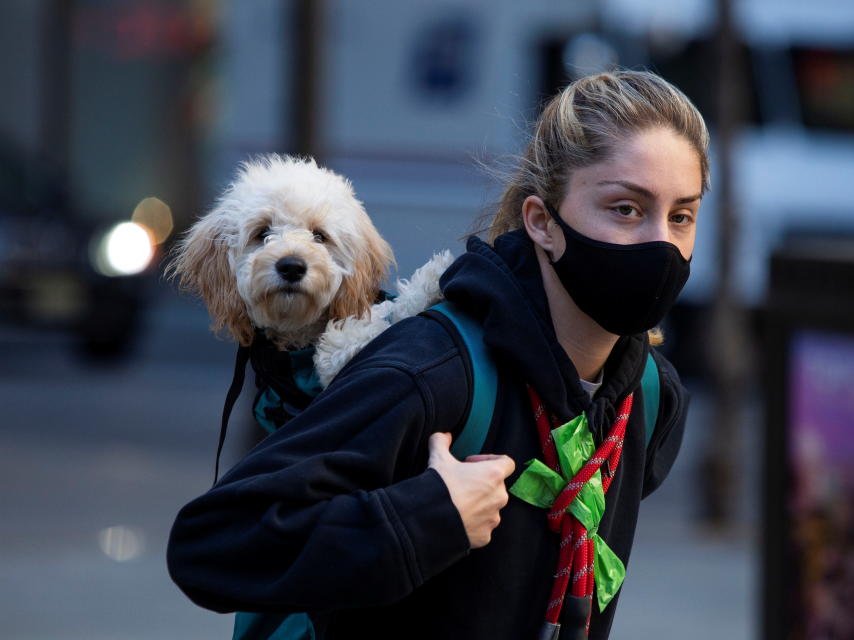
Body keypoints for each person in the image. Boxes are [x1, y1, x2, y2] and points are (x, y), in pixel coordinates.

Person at [167, 69, 708, 640]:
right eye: (625, 209)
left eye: (681, 216)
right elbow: (212, 544)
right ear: (542, 222)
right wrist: (425, 518)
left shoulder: (649, 395)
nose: (660, 245)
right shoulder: (430, 372)